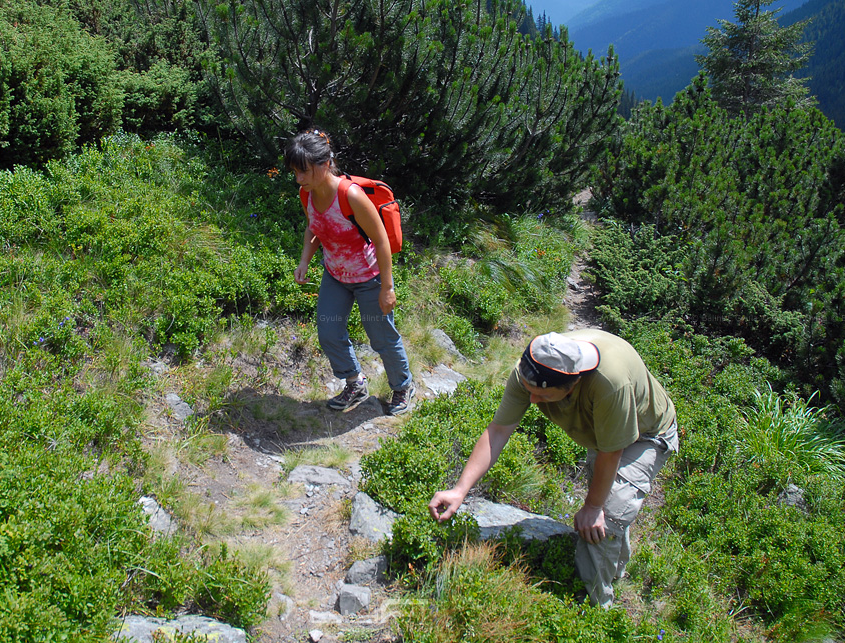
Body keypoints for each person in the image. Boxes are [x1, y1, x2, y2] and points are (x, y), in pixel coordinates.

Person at [428, 329, 678, 608]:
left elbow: (612, 451)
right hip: (602, 433)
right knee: (608, 509)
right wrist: (460, 490)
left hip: (647, 434)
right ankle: (612, 570)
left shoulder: (609, 383)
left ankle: (595, 607)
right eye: (530, 393)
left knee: (608, 513)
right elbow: (498, 431)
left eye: (543, 397)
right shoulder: (531, 371)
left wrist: (593, 507)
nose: (533, 401)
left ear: (572, 386)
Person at [284, 129, 414, 415]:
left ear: (325, 164)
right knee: (329, 332)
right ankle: (355, 382)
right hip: (335, 276)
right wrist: (304, 260)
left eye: (303, 171)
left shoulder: (350, 195)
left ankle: (402, 387)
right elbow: (314, 227)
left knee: (381, 337)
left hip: (369, 277)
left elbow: (380, 240)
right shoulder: (305, 193)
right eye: (295, 172)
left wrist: (387, 287)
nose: (299, 178)